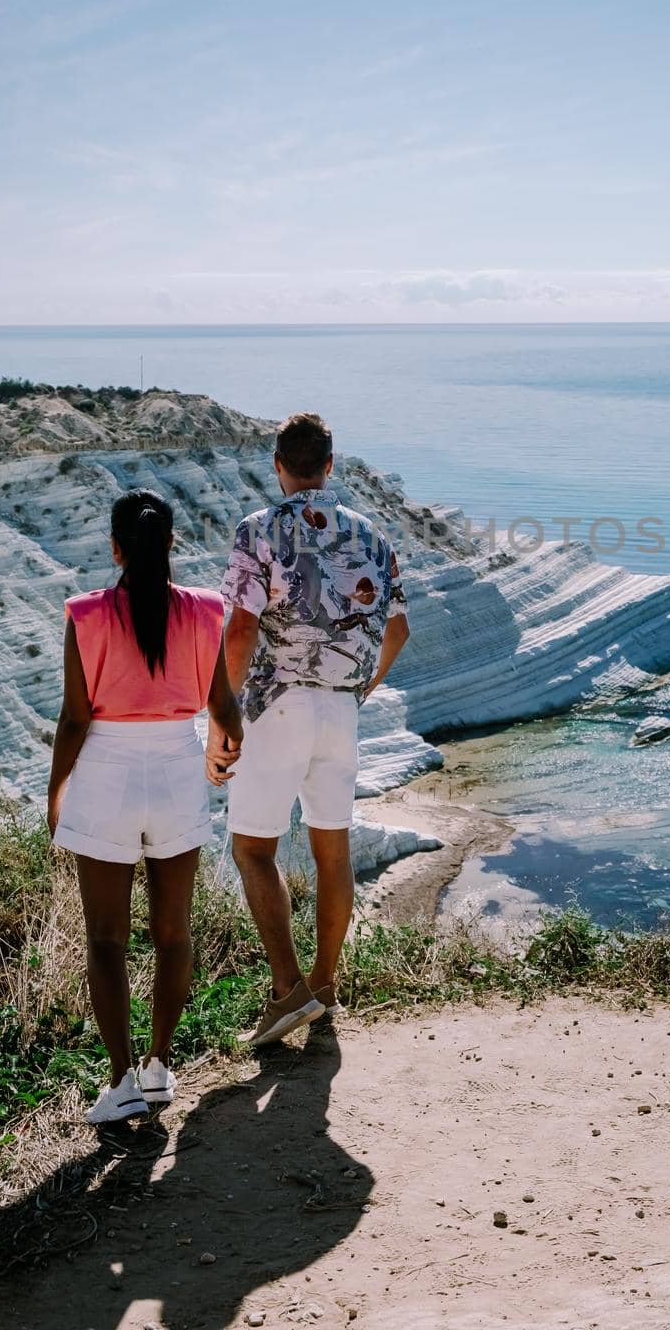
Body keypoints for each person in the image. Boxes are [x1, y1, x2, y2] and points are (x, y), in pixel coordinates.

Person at [47, 489, 243, 1123]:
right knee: (173, 932)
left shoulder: (85, 615)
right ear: (171, 545)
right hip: (177, 767)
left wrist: (57, 789)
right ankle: (160, 1066)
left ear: (115, 549)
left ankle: (120, 1079)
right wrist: (220, 756)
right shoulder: (207, 612)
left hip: (106, 771)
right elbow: (223, 707)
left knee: (105, 940)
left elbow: (76, 718)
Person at [222, 412, 410, 1046]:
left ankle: (287, 992)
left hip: (277, 703)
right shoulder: (376, 538)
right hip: (340, 710)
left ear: (279, 465)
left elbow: (242, 628)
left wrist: (223, 705)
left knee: (253, 847)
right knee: (334, 853)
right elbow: (399, 630)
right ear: (330, 465)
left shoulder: (261, 529)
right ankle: (325, 988)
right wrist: (362, 687)